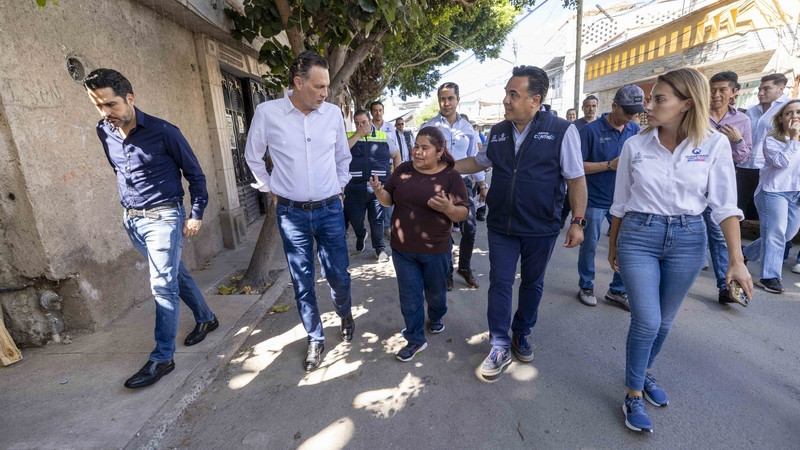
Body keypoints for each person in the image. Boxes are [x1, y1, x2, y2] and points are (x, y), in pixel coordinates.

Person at [608, 68, 753, 433]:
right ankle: (633, 393)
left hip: (689, 238)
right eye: (650, 99)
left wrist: (736, 261)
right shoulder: (635, 145)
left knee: (665, 320)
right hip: (639, 235)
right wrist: (613, 246)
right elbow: (620, 203)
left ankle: (645, 371)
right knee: (647, 320)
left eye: (659, 99)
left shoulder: (714, 144)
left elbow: (725, 206)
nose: (648, 107)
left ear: (686, 104)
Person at [84, 68, 218, 389]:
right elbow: (119, 170)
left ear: (130, 98)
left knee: (162, 286)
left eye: (111, 104)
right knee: (174, 274)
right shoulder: (104, 131)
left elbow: (195, 175)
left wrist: (196, 213)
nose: (105, 112)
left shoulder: (164, 131)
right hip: (132, 219)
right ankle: (207, 318)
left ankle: (162, 358)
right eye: (99, 106)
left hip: (164, 217)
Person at [454, 65, 587, 379]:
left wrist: (578, 221)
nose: (506, 100)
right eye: (506, 93)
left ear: (534, 100)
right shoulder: (499, 131)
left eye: (513, 94)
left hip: (541, 226)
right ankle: (499, 344)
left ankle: (522, 332)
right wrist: (442, 167)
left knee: (531, 283)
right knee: (500, 282)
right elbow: (479, 161)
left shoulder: (561, 130)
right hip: (502, 225)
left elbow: (576, 178)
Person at [244, 51, 354, 372]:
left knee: (338, 274)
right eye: (319, 86)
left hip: (330, 209)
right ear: (298, 83)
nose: (325, 93)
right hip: (291, 214)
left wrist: (340, 187)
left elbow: (342, 158)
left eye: (327, 86)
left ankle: (344, 313)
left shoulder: (332, 114)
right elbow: (252, 157)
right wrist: (269, 187)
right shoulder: (267, 113)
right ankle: (315, 337)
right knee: (302, 279)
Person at [371, 127, 469, 361]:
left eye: (425, 148)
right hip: (402, 249)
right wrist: (379, 192)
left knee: (435, 293)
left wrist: (448, 208)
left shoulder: (451, 177)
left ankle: (436, 315)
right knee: (410, 295)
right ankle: (415, 338)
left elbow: (462, 213)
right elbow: (388, 201)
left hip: (436, 249)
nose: (417, 151)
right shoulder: (403, 170)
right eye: (416, 146)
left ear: (440, 151)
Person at [576, 85, 644, 311]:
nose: (632, 117)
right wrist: (608, 165)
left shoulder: (635, 129)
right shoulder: (590, 131)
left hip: (626, 201)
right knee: (590, 246)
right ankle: (586, 286)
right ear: (614, 106)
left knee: (625, 246)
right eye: (628, 112)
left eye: (635, 112)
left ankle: (617, 290)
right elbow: (576, 167)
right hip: (595, 199)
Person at [423, 83, 486, 290]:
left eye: (450, 98)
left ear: (458, 99)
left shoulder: (468, 129)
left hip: (462, 184)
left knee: (470, 228)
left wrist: (483, 184)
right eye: (442, 99)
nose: (446, 103)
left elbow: (474, 159)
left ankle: (464, 267)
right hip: (437, 185)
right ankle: (447, 272)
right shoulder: (429, 128)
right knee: (443, 230)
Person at [741, 100, 800, 294]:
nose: (794, 116)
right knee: (776, 234)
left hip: (796, 194)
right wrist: (794, 139)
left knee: (786, 235)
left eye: (798, 112)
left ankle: (745, 252)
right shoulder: (773, 139)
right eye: (789, 113)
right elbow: (782, 162)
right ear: (781, 118)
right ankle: (769, 277)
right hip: (773, 192)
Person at [706, 71, 752, 303]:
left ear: (734, 92)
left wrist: (737, 140)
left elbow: (743, 157)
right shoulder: (696, 114)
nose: (716, 94)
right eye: (712, 89)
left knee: (719, 237)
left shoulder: (742, 121)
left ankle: (725, 287)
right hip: (692, 183)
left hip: (721, 186)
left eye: (722, 90)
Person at [345, 110, 400, 262]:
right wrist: (357, 135)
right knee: (355, 218)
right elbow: (341, 152)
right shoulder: (349, 136)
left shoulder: (382, 137)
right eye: (357, 123)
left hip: (377, 187)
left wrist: (396, 177)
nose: (360, 126)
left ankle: (379, 248)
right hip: (354, 187)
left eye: (363, 122)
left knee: (377, 219)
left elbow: (396, 155)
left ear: (370, 121)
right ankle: (361, 234)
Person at [737, 73, 790, 219]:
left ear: (781, 88)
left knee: (768, 209)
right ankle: (735, 234)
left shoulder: (789, 108)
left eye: (767, 89)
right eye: (760, 89)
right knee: (737, 206)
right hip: (745, 165)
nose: (761, 93)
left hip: (771, 167)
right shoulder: (752, 110)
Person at [371, 101, 399, 236]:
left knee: (389, 195)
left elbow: (395, 148)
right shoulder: (367, 126)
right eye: (375, 110)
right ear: (371, 112)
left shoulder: (389, 127)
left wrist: (394, 167)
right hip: (371, 167)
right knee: (374, 197)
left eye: (380, 110)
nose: (378, 113)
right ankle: (376, 226)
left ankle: (388, 227)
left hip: (387, 166)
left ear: (383, 111)